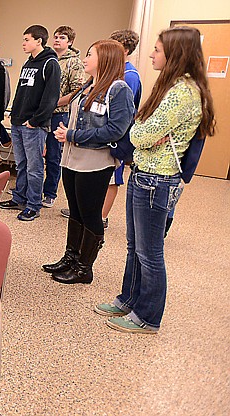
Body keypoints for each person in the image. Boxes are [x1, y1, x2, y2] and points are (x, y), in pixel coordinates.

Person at [96, 26, 215, 334]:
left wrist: (142, 131)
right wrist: (143, 131)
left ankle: (147, 316)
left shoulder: (182, 93)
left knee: (150, 253)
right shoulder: (172, 86)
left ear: (175, 54)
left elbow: (140, 134)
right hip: (145, 174)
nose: (151, 54)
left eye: (158, 50)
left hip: (157, 180)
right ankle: (129, 300)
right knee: (135, 246)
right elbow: (143, 132)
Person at [43, 39, 135, 285]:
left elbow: (116, 130)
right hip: (72, 158)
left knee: (90, 213)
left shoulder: (118, 90)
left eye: (90, 54)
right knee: (75, 211)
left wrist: (72, 135)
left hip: (95, 161)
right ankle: (71, 258)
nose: (84, 59)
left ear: (104, 58)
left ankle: (84, 268)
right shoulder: (88, 86)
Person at [0, 25, 61, 221]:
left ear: (38, 41)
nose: (24, 43)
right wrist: (14, 114)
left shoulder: (50, 64)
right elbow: (21, 92)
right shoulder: (28, 63)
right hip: (18, 122)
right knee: (21, 165)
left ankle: (33, 205)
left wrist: (35, 121)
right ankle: (19, 197)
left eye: (27, 40)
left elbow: (51, 98)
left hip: (33, 125)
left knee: (34, 167)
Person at [101, 29, 143, 228]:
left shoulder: (130, 76)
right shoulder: (115, 71)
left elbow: (123, 111)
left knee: (112, 179)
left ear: (124, 50)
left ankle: (102, 217)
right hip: (105, 134)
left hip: (118, 137)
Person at [42, 26, 85, 208]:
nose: (57, 40)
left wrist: (55, 103)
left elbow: (77, 90)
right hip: (42, 113)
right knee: (36, 153)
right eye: (56, 36)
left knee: (53, 155)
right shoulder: (48, 58)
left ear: (70, 42)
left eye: (62, 37)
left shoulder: (74, 62)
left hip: (59, 114)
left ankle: (50, 192)